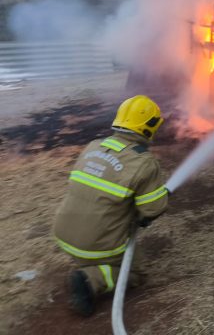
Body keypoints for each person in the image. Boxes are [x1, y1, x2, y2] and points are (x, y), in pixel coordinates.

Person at [53, 94, 169, 316]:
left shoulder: (93, 146)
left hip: (63, 234)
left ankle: (87, 262)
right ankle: (90, 279)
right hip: (95, 244)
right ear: (149, 127)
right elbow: (153, 210)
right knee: (135, 274)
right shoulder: (144, 163)